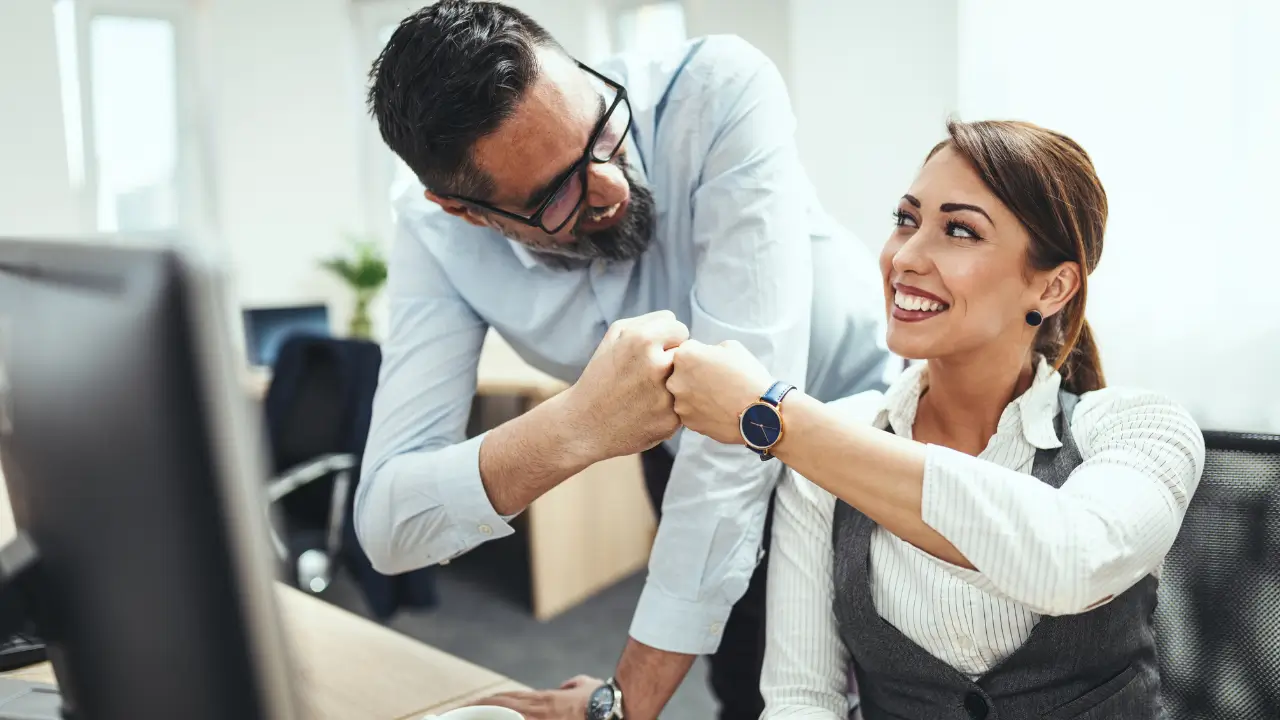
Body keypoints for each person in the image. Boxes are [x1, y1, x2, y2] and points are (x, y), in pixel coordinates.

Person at [354, 1, 892, 718]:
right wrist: (575, 428)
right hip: (682, 458)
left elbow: (738, 428)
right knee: (748, 686)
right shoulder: (436, 238)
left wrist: (623, 705)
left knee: (893, 691)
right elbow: (388, 525)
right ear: (469, 213)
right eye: (554, 196)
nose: (607, 183)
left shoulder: (718, 93)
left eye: (602, 131)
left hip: (860, 427)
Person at [666, 119, 1205, 718]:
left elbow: (1070, 560)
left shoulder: (1142, 429)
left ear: (1053, 287)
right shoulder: (831, 441)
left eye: (958, 230)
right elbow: (801, 699)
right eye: (905, 220)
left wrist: (772, 415)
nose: (906, 257)